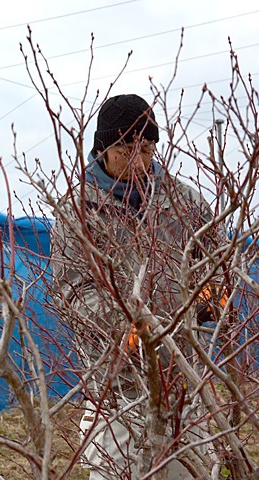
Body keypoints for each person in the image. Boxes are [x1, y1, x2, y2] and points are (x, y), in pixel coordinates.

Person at [50, 94, 216, 479]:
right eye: (126, 149)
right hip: (117, 382)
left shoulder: (184, 200)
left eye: (146, 148)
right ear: (103, 149)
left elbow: (215, 261)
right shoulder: (78, 210)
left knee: (191, 469)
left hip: (183, 372)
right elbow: (74, 289)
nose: (139, 161)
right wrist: (126, 329)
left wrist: (211, 297)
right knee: (119, 469)